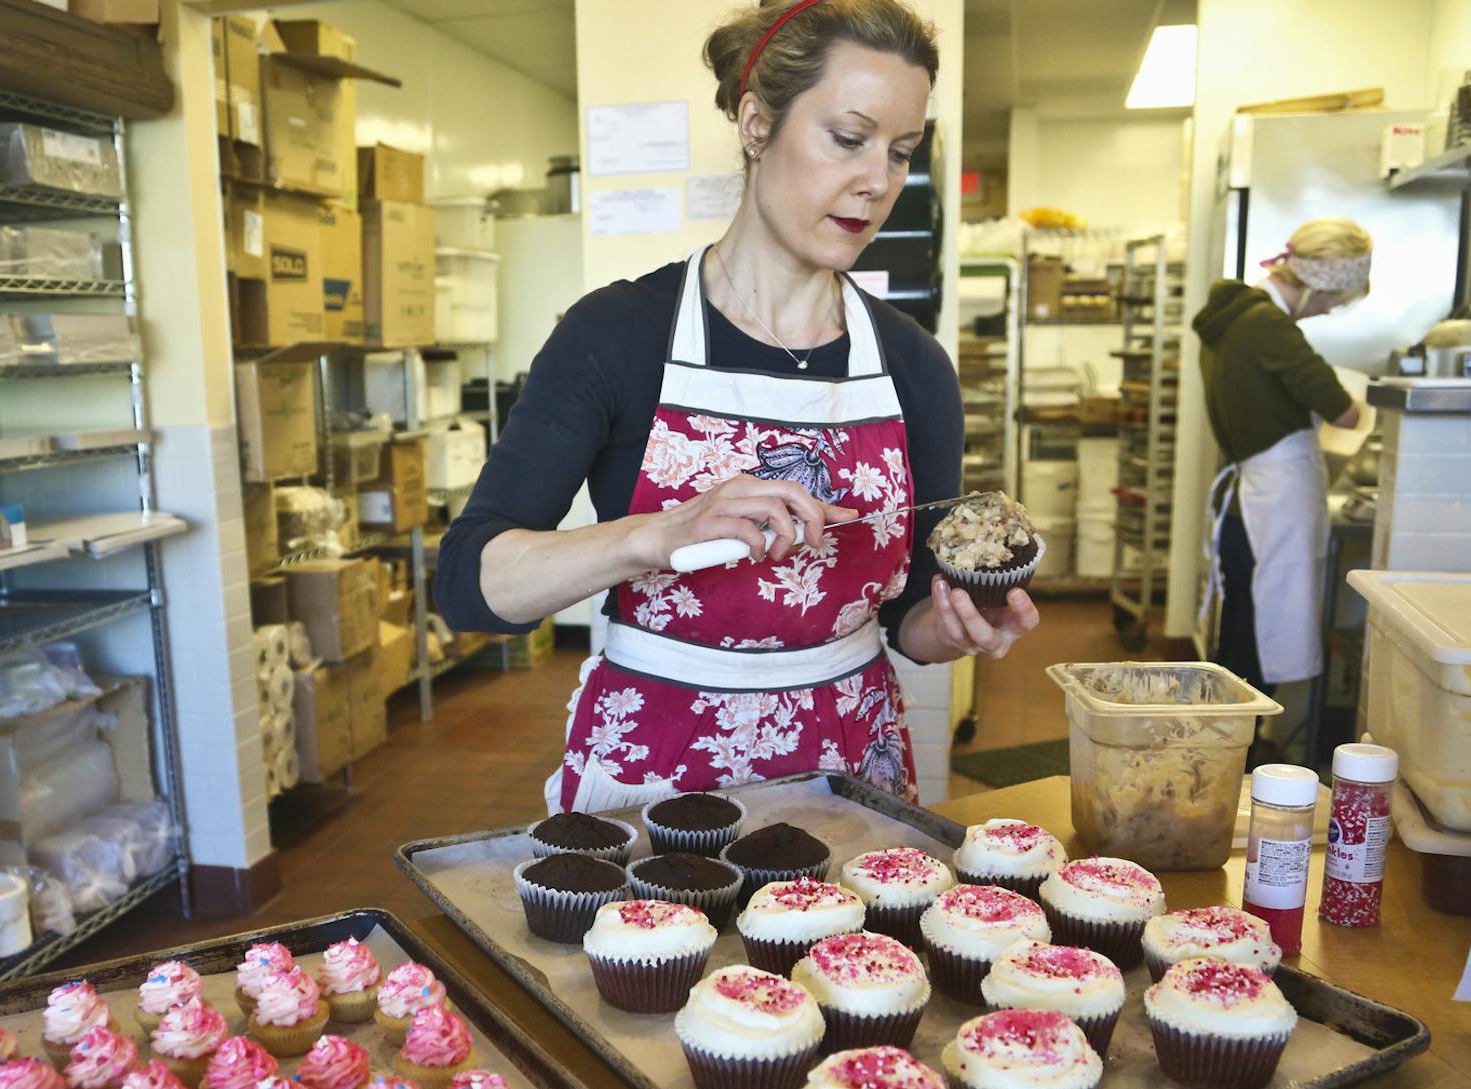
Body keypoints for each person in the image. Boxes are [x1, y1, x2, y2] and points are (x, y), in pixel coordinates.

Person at [435, 0, 1039, 813]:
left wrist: (961, 627)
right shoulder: (616, 335)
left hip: (848, 761)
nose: (877, 181)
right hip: (656, 761)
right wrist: (655, 535)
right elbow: (470, 586)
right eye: (848, 138)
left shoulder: (912, 364)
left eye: (900, 153)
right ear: (757, 122)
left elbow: (907, 617)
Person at [1191, 218, 1370, 692]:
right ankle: (1241, 761)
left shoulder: (1232, 317)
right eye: (1334, 299)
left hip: (1248, 502)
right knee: (1255, 644)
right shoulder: (1267, 326)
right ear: (1316, 285)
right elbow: (1345, 414)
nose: (1330, 311)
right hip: (1270, 505)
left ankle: (1229, 756)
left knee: (1243, 637)